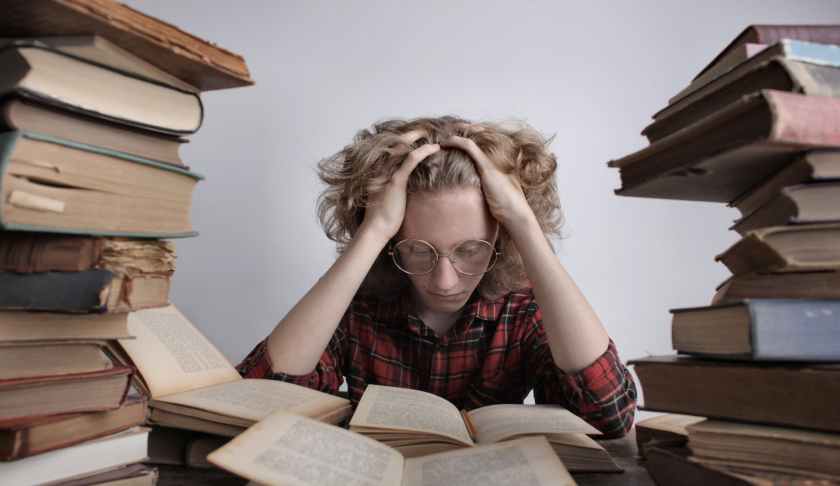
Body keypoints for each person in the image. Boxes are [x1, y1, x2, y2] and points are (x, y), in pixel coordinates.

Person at [237, 116, 637, 437]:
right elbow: (258, 399)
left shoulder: (525, 307)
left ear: (500, 238)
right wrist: (373, 231)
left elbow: (611, 416)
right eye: (417, 251)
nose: (445, 281)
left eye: (470, 249)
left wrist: (524, 223)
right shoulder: (355, 304)